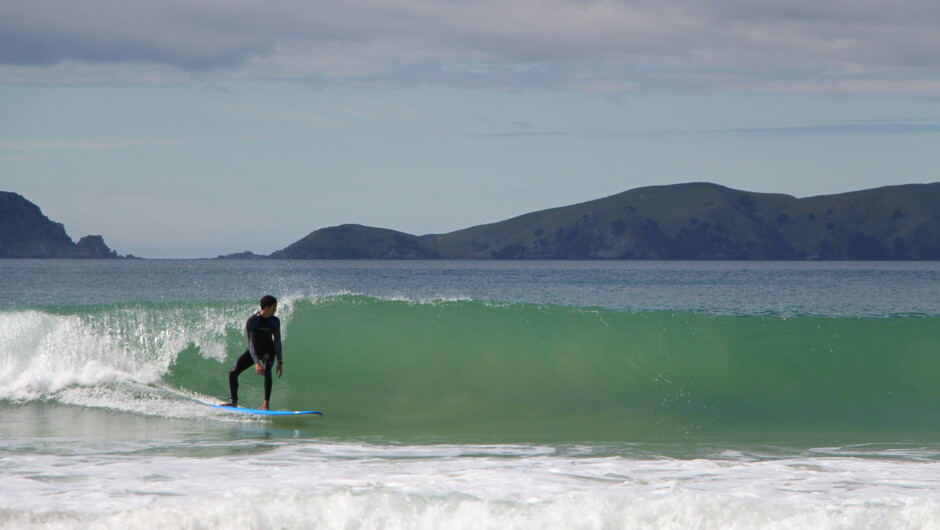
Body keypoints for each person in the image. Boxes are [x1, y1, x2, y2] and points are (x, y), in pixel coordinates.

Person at [221, 295, 283, 410]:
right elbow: (251, 343)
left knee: (267, 368)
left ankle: (266, 404)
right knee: (233, 372)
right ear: (267, 307)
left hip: (268, 351)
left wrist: (279, 361)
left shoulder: (275, 321)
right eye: (274, 307)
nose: (276, 309)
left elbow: (277, 341)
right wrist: (256, 362)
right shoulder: (253, 321)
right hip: (254, 350)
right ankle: (233, 401)